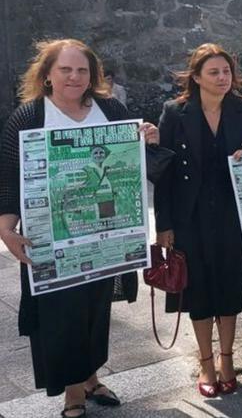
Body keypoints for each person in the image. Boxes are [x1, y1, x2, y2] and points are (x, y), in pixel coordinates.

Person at [0, 39, 158, 417]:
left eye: (82, 70)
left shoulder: (110, 109)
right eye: (65, 69)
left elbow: (134, 165)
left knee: (95, 309)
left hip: (103, 235)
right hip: (53, 236)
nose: (74, 77)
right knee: (62, 313)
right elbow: (10, 179)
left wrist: (148, 142)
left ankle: (90, 378)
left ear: (92, 75)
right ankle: (73, 391)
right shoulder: (28, 117)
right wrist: (6, 230)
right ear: (47, 75)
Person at [153, 43, 242, 398]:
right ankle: (206, 362)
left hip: (231, 213)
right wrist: (164, 224)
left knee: (228, 286)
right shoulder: (175, 112)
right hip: (190, 216)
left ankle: (227, 359)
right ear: (196, 77)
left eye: (226, 71)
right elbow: (164, 172)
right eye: (214, 72)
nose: (222, 78)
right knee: (197, 290)